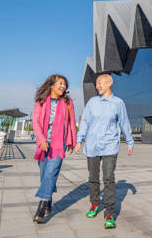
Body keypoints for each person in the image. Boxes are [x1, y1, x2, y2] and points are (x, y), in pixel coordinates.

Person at [75, 74, 134, 229]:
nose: (97, 86)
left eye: (100, 83)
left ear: (109, 83)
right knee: (93, 177)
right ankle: (94, 204)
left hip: (109, 146)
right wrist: (79, 140)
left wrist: (130, 141)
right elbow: (85, 122)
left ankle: (109, 213)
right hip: (92, 146)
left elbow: (124, 122)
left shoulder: (118, 103)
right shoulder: (92, 103)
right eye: (96, 83)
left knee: (108, 178)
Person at [32, 74, 77, 223]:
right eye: (60, 83)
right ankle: (49, 197)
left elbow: (71, 123)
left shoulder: (68, 102)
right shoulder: (41, 101)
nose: (63, 86)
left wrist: (72, 141)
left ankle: (42, 206)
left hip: (59, 144)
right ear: (52, 85)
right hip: (44, 143)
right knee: (44, 174)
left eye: (65, 84)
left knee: (51, 172)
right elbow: (35, 122)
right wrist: (41, 139)